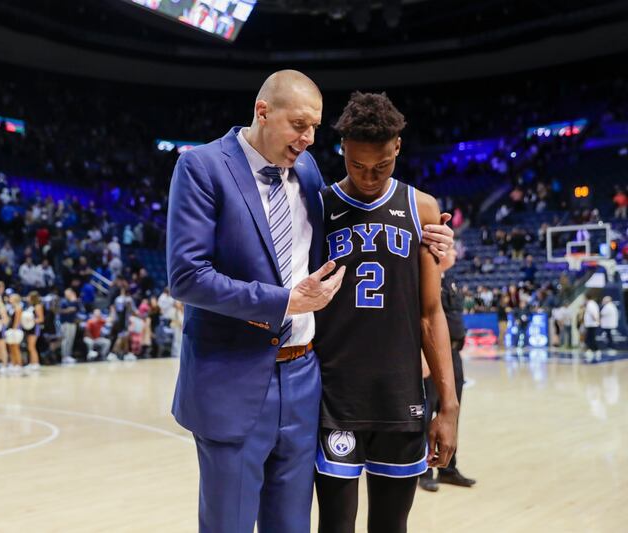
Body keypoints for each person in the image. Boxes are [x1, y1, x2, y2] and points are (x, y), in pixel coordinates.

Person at [166, 70, 454, 532]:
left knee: (293, 525)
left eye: (315, 128)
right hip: (236, 376)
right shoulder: (202, 166)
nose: (308, 138)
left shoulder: (306, 171)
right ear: (263, 112)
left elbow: (358, 251)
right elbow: (187, 277)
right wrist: (284, 303)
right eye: (300, 125)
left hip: (305, 380)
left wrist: (435, 249)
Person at [313, 92, 458, 533]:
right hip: (335, 396)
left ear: (397, 147)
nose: (369, 176)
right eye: (357, 165)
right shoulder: (318, 206)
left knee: (392, 526)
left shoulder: (423, 208)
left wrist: (448, 406)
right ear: (342, 150)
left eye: (381, 165)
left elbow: (431, 314)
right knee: (335, 525)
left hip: (401, 396)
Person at [420, 241, 476, 492]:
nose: (454, 253)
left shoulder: (449, 279)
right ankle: (424, 469)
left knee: (452, 411)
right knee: (428, 412)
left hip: (453, 354)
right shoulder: (426, 279)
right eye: (451, 249)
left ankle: (448, 467)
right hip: (434, 355)